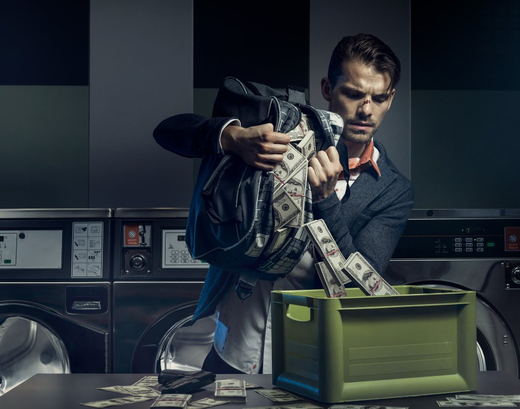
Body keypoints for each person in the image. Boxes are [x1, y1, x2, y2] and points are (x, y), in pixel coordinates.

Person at [153, 33, 413, 374]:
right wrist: (232, 137)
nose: (366, 110)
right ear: (327, 88)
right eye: (353, 94)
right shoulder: (282, 132)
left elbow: (358, 287)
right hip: (231, 349)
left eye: (378, 98)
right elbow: (167, 131)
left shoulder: (393, 191)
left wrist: (324, 202)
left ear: (391, 98)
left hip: (317, 363)